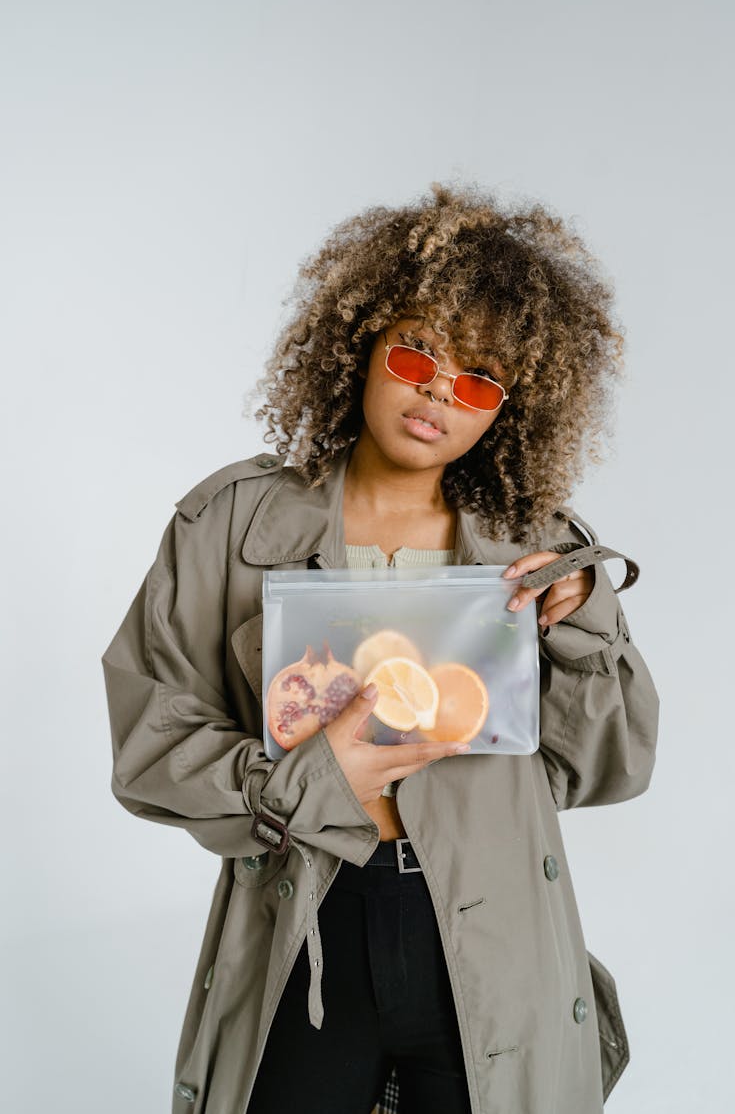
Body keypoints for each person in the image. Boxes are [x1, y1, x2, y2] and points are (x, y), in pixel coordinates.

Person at [101, 182, 659, 1114]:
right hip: (305, 927)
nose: (440, 392)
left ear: (508, 410)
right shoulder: (228, 522)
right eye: (417, 353)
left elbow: (614, 763)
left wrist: (586, 617)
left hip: (492, 942)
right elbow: (150, 748)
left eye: (479, 379)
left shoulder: (539, 542)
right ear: (362, 344)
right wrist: (312, 781)